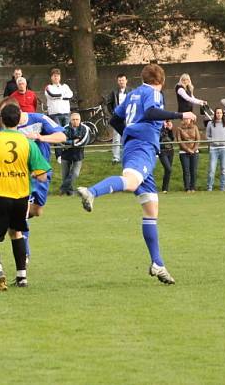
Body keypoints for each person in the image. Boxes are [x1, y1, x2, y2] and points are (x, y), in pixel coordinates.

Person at [76, 63, 197, 285]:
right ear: (160, 81)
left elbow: (114, 119)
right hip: (143, 147)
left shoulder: (132, 94)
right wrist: (181, 113)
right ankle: (92, 191)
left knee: (151, 208)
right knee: (131, 182)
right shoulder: (153, 92)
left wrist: (130, 134)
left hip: (136, 145)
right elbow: (151, 112)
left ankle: (157, 263)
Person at [0, 104, 51, 290]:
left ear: (2, 120)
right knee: (16, 234)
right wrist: (29, 173)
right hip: (21, 197)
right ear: (19, 120)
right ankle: (22, 277)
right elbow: (42, 176)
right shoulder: (28, 143)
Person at [6, 98, 66, 261]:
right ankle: (24, 253)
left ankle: (15, 217)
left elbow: (62, 136)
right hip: (23, 175)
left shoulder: (39, 119)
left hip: (42, 173)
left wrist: (40, 137)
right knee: (23, 211)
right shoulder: (8, 129)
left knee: (36, 211)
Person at [60, 112, 89, 195]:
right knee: (65, 175)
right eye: (73, 119)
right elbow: (61, 140)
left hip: (78, 154)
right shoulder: (65, 128)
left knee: (75, 174)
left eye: (77, 119)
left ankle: (62, 189)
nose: (75, 121)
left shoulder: (85, 128)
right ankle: (69, 193)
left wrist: (70, 144)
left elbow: (84, 141)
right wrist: (73, 142)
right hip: (65, 154)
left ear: (80, 120)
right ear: (70, 120)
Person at [105, 73, 130, 163]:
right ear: (117, 81)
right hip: (118, 117)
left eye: (123, 80)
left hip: (129, 118)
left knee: (128, 136)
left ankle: (127, 155)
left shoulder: (131, 91)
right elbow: (108, 103)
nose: (121, 82)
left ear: (126, 81)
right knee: (116, 138)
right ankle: (116, 157)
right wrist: (113, 113)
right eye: (119, 80)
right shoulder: (114, 92)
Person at [205, 108, 225, 191]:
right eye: (217, 113)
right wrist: (212, 141)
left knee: (223, 169)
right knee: (212, 169)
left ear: (222, 114)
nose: (219, 114)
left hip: (224, 148)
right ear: (215, 114)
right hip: (213, 149)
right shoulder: (210, 123)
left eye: (220, 113)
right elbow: (207, 135)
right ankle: (209, 187)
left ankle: (222, 187)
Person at [175, 117, 200, 192]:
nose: (186, 120)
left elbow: (198, 139)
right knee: (186, 171)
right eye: (185, 119)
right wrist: (187, 149)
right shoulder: (179, 128)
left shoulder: (195, 127)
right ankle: (187, 188)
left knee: (193, 170)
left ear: (191, 120)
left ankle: (193, 187)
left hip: (194, 152)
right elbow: (179, 140)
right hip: (183, 152)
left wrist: (194, 149)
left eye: (188, 119)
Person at [158, 120, 175, 193]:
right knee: (168, 169)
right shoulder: (158, 128)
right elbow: (159, 138)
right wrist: (163, 128)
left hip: (170, 151)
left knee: (168, 171)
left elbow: (172, 139)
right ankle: (164, 188)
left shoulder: (168, 129)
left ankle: (165, 188)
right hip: (162, 151)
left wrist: (170, 129)